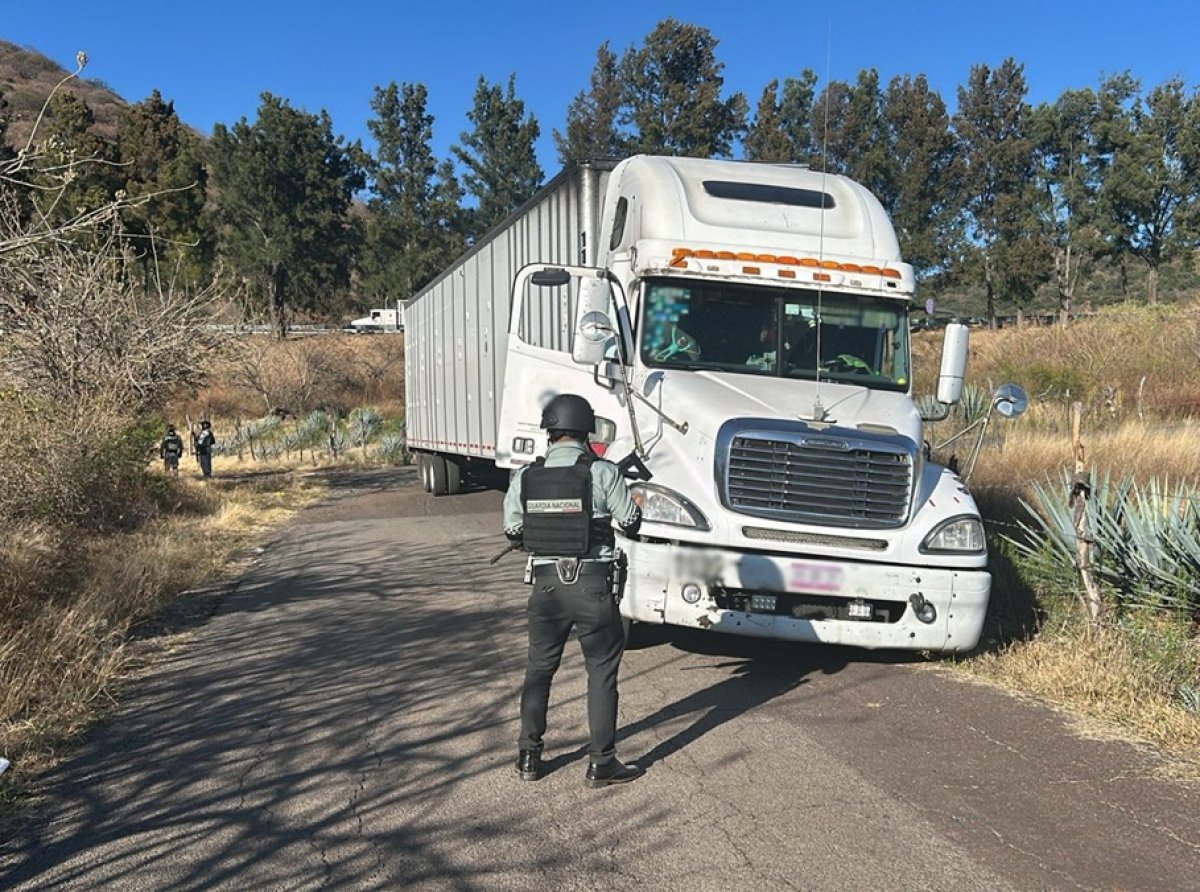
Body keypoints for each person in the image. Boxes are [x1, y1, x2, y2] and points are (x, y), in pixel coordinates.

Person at [502, 394, 645, 788]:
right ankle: (602, 763)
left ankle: (528, 755)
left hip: (546, 587)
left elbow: (513, 530)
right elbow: (631, 522)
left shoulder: (526, 475)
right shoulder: (603, 472)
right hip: (593, 585)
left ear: (549, 430)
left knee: (540, 669)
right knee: (600, 673)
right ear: (587, 430)